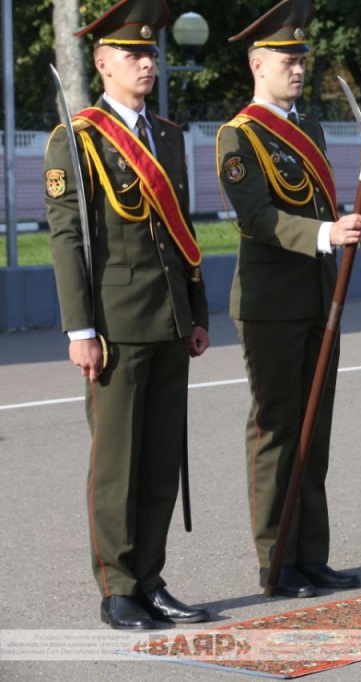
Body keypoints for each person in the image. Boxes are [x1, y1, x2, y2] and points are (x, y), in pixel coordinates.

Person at [43, 0, 210, 630]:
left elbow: (181, 233)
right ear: (102, 63)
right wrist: (80, 329)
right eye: (133, 53)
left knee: (162, 460)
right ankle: (117, 587)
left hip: (169, 320)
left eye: (150, 52)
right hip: (114, 326)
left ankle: (150, 579)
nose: (146, 62)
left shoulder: (166, 135)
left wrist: (195, 312)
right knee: (118, 464)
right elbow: (67, 238)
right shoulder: (77, 138)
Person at [217, 0, 361, 598]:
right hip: (271, 304)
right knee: (278, 430)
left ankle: (311, 555)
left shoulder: (310, 128)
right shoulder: (239, 135)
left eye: (303, 58)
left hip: (317, 297)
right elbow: (255, 218)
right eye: (287, 60)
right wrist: (327, 234)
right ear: (258, 65)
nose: (299, 68)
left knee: (314, 432)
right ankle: (275, 559)